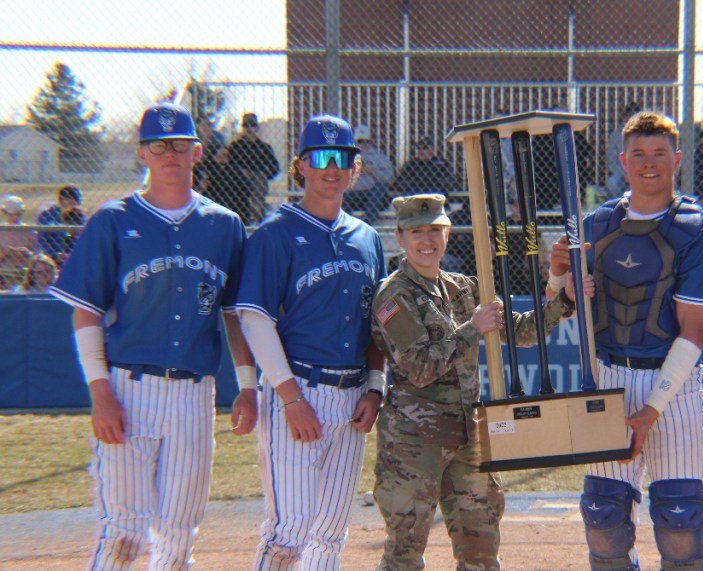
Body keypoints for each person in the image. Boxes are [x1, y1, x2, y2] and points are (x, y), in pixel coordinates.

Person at [48, 102, 256, 569]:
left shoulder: (223, 225)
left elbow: (233, 314)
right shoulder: (113, 219)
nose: (169, 154)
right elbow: (85, 312)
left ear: (196, 152)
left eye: (179, 145)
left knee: (179, 533)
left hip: (193, 394)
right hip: (127, 389)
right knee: (123, 532)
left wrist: (247, 385)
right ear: (142, 153)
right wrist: (100, 391)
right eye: (158, 145)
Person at [550, 111, 703, 571]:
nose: (650, 164)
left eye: (660, 155)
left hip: (674, 386)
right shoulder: (597, 223)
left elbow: (694, 331)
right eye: (639, 155)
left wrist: (652, 408)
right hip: (608, 377)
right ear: (624, 161)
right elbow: (561, 304)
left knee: (679, 520)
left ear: (677, 159)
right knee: (604, 518)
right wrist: (558, 277)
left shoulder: (695, 231)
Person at [370, 193, 581, 571]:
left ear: (448, 234)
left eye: (435, 229)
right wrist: (472, 329)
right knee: (405, 549)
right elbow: (419, 368)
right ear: (400, 237)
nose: (427, 240)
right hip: (415, 443)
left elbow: (520, 332)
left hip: (469, 433)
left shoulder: (464, 287)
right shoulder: (393, 296)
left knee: (481, 543)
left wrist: (562, 301)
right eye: (416, 231)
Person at [235, 114, 387, 569]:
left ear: (357, 167)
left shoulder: (367, 238)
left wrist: (376, 386)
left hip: (354, 394)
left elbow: (378, 324)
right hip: (298, 390)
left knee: (327, 533)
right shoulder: (274, 234)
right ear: (300, 165)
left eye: (342, 157)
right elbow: (254, 320)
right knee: (290, 530)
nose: (332, 167)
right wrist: (289, 397)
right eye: (319, 157)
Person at [228, 112, 280, 224]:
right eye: (246, 126)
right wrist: (241, 171)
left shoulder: (263, 147)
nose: (249, 129)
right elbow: (229, 166)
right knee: (244, 177)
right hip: (239, 180)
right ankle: (252, 212)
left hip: (258, 181)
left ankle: (256, 212)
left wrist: (263, 173)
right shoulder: (235, 146)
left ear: (257, 128)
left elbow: (274, 168)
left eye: (252, 125)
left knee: (258, 178)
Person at [345, 124, 396, 225]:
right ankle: (348, 226)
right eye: (360, 141)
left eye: (366, 141)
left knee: (380, 188)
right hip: (353, 195)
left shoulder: (379, 157)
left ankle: (367, 223)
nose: (363, 144)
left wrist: (373, 171)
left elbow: (389, 178)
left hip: (373, 196)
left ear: (371, 141)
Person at [393, 137, 460, 198]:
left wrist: (421, 180)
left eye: (425, 148)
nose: (421, 151)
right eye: (419, 148)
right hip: (414, 195)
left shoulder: (442, 163)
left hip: (435, 196)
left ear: (432, 150)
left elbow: (450, 182)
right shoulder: (411, 164)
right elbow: (401, 181)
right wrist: (431, 179)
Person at [200, 146, 252, 220]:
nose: (225, 157)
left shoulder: (234, 169)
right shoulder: (206, 167)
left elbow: (246, 186)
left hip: (233, 198)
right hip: (214, 196)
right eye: (223, 154)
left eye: (227, 155)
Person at [0, 194, 39, 290]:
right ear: (5, 213)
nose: (14, 217)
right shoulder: (2, 230)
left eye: (17, 214)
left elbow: (37, 256)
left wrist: (26, 253)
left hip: (23, 273)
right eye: (11, 214)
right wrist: (5, 253)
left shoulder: (29, 231)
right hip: (3, 273)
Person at [605, 101, 642, 196]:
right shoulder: (615, 135)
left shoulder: (646, 135)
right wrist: (624, 174)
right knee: (612, 183)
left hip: (641, 173)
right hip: (622, 174)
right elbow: (611, 161)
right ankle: (621, 204)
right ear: (625, 117)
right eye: (630, 116)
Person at [37, 185, 82, 263]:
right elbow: (42, 239)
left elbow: (79, 238)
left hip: (72, 257)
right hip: (50, 257)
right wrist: (54, 255)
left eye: (76, 202)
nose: (74, 205)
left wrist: (70, 254)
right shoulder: (47, 215)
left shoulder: (79, 216)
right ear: (61, 200)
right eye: (70, 201)